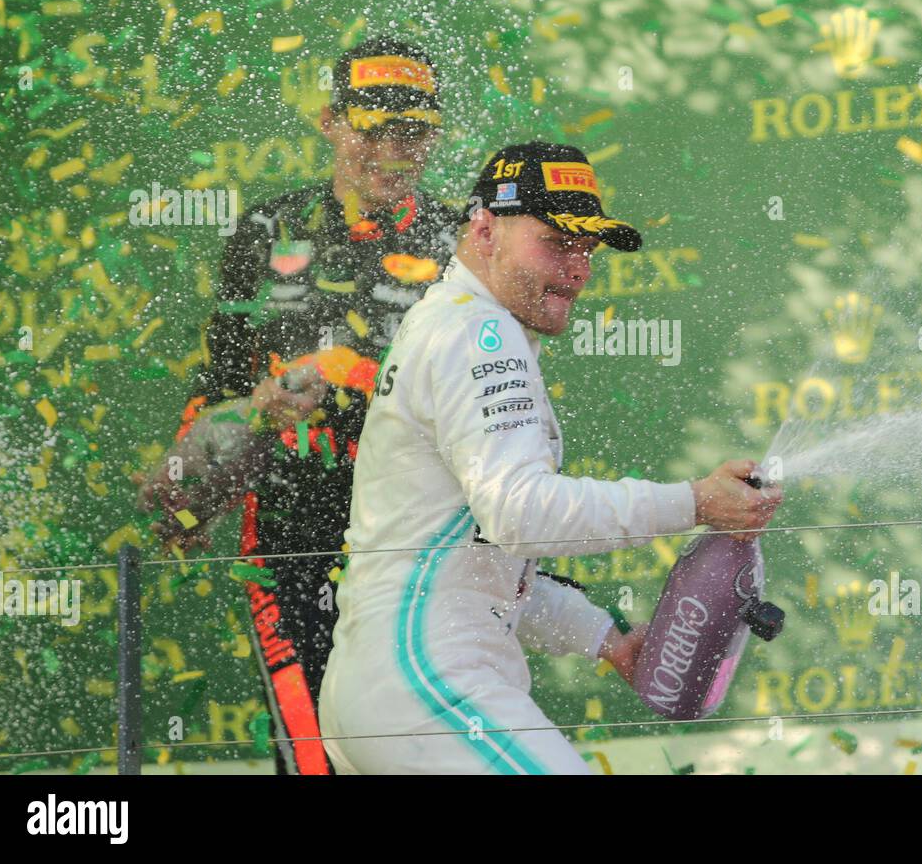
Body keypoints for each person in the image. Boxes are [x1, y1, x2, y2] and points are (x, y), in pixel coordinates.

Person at [319, 141, 783, 774]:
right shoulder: (480, 335)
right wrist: (694, 502)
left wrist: (606, 638)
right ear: (484, 229)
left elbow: (473, 572)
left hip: (393, 690)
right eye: (557, 242)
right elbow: (520, 514)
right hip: (426, 688)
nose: (577, 267)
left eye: (586, 248)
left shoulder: (454, 321)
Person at [141, 36, 459, 775]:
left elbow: (481, 394)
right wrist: (195, 480)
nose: (393, 148)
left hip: (420, 535)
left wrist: (347, 372)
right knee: (313, 755)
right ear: (330, 122)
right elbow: (221, 385)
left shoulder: (462, 241)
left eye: (413, 130)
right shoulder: (265, 229)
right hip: (289, 530)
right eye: (372, 127)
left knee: (421, 750)